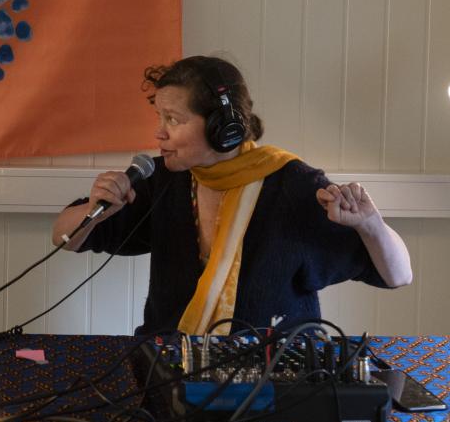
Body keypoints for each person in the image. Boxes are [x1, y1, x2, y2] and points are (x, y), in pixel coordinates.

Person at [51, 56, 412, 335]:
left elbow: (398, 275)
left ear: (222, 128)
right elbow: (63, 237)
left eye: (173, 119)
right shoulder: (161, 180)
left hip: (275, 379)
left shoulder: (293, 185)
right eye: (159, 117)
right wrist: (97, 209)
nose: (159, 133)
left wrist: (370, 225)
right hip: (170, 368)